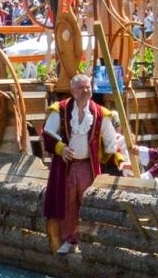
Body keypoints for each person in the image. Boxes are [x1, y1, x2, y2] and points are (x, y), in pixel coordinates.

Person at [41, 73, 129, 256]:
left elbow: (111, 142)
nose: (86, 91)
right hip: (65, 167)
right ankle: (70, 240)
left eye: (88, 87)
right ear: (72, 91)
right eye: (81, 88)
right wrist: (61, 148)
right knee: (68, 203)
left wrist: (121, 161)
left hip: (88, 167)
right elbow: (47, 134)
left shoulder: (100, 113)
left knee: (88, 203)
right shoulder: (60, 109)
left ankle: (89, 241)